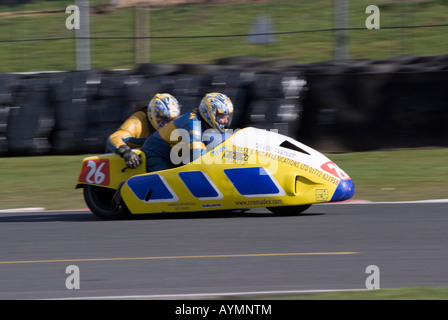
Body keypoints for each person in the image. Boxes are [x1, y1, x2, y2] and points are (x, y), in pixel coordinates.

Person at [141, 92, 234, 172]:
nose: (225, 121)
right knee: (172, 184)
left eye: (227, 117)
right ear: (209, 113)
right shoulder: (193, 124)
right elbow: (198, 160)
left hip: (175, 155)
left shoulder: (202, 121)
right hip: (156, 154)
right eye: (221, 117)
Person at [105, 93, 180, 169]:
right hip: (126, 165)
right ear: (154, 115)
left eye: (172, 120)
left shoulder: (176, 126)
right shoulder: (137, 122)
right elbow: (114, 138)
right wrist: (126, 152)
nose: (168, 124)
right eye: (165, 120)